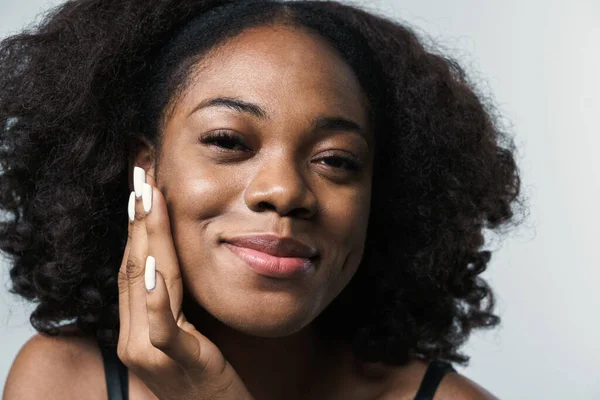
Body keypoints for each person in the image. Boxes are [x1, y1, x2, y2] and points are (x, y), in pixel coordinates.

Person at [1, 0, 525, 398]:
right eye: (228, 141)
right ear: (146, 168)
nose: (285, 191)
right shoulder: (62, 382)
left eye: (336, 160)